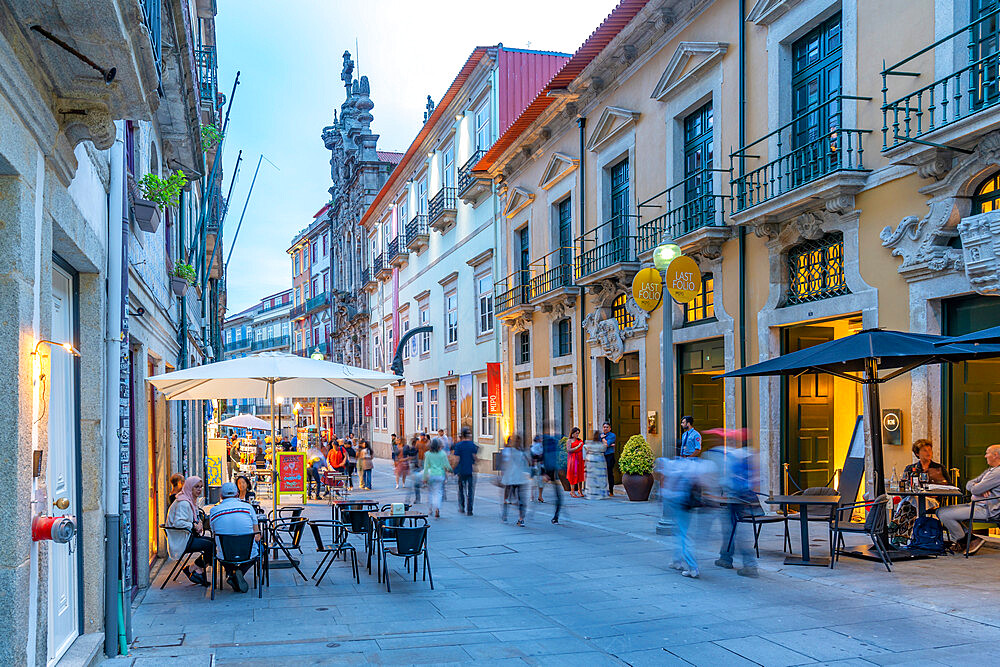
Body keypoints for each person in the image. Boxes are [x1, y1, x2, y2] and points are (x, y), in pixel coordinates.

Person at [937, 444, 1000, 555]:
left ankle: (965, 541)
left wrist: (978, 487)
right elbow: (969, 484)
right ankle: (971, 540)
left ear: (995, 455)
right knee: (939, 511)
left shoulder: (997, 473)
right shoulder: (990, 470)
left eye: (987, 453)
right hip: (975, 505)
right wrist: (978, 486)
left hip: (987, 509)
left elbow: (975, 490)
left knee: (944, 514)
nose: (985, 456)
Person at [655, 456, 706, 578]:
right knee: (679, 531)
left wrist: (662, 497)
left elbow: (663, 481)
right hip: (686, 502)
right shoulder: (687, 464)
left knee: (683, 534)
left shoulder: (668, 465)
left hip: (678, 502)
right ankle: (676, 561)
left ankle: (693, 567)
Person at [208, 482, 261, 593]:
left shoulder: (213, 511)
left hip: (225, 555)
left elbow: (214, 533)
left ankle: (232, 572)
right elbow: (257, 536)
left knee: (219, 549)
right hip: (248, 553)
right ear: (237, 494)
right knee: (261, 549)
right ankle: (238, 572)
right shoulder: (248, 507)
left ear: (221, 496)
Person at [164, 476, 211, 587]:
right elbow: (178, 523)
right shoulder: (183, 503)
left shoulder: (190, 500)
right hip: (182, 539)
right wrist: (194, 525)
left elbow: (194, 518)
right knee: (211, 547)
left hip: (188, 536)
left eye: (201, 487)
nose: (199, 489)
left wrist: (198, 523)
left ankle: (195, 569)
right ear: (189, 487)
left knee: (213, 543)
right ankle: (194, 569)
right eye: (196, 487)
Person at [501, 435, 531, 526]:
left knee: (513, 498)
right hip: (513, 477)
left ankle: (516, 518)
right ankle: (507, 516)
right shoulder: (513, 451)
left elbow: (529, 462)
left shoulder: (513, 451)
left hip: (516, 477)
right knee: (509, 498)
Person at [423, 438, 452, 518]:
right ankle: (437, 508)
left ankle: (430, 509)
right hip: (440, 475)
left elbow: (426, 467)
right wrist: (451, 470)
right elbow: (446, 465)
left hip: (431, 475)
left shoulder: (427, 454)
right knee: (438, 492)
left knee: (431, 492)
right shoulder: (442, 454)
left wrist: (424, 478)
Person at [453, 426, 479, 516]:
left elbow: (457, 459)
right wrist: (476, 462)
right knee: (470, 491)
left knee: (461, 490)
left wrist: (453, 469)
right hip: (470, 471)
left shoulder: (458, 445)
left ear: (461, 435)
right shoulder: (472, 445)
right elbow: (475, 457)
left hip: (461, 470)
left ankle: (462, 507)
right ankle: (470, 510)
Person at [541, 422, 563, 524]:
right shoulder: (547, 441)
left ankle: (556, 517)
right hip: (549, 470)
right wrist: (543, 472)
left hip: (552, 470)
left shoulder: (552, 440)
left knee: (558, 496)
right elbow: (542, 457)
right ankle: (555, 517)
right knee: (557, 496)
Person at [566, 428, 585, 498]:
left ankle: (580, 490)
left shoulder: (580, 440)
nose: (577, 435)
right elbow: (568, 450)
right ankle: (572, 491)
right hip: (573, 459)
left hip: (580, 459)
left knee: (580, 474)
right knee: (573, 474)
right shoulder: (569, 441)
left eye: (578, 433)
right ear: (572, 433)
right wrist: (578, 447)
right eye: (576, 433)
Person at [601, 421, 617, 496]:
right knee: (601, 474)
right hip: (601, 456)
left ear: (610, 428)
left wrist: (603, 439)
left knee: (609, 473)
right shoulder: (600, 435)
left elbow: (606, 444)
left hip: (609, 456)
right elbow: (598, 445)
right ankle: (603, 490)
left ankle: (611, 491)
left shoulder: (612, 435)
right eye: (604, 427)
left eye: (607, 427)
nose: (605, 428)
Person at [530, 435, 545, 502]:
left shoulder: (540, 446)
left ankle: (539, 496)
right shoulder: (535, 446)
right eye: (540, 438)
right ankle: (534, 496)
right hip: (537, 465)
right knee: (536, 481)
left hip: (540, 465)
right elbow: (533, 455)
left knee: (539, 481)